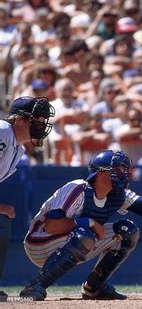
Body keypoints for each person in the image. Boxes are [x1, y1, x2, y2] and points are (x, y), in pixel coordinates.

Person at [19, 150, 142, 301]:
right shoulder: (78, 189)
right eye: (118, 169)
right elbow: (51, 226)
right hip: (39, 242)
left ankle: (93, 288)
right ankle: (34, 286)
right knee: (85, 234)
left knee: (127, 231)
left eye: (124, 169)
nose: (124, 173)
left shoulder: (118, 194)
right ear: (101, 173)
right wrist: (88, 222)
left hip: (70, 241)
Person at [0, 96, 55, 298]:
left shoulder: (18, 149)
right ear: (19, 120)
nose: (41, 125)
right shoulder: (3, 131)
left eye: (43, 121)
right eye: (37, 120)